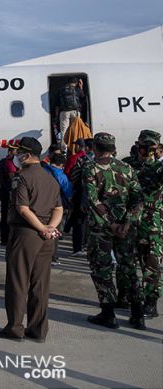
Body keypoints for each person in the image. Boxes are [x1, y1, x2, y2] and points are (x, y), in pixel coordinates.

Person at [0, 137, 63, 343]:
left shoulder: (21, 177)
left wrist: (41, 227)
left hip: (26, 234)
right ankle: (38, 330)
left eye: (18, 152)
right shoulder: (50, 177)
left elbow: (22, 208)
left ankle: (14, 328)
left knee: (17, 282)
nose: (16, 155)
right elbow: (59, 208)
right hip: (47, 238)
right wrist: (50, 228)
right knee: (40, 284)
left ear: (27, 154)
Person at [82, 132, 145, 330]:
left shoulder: (90, 167)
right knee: (129, 268)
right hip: (126, 229)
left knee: (102, 269)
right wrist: (127, 222)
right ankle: (137, 315)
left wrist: (111, 224)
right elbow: (138, 198)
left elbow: (93, 199)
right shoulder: (126, 168)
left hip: (101, 228)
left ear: (95, 148)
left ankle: (108, 314)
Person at [126, 130, 163, 319]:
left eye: (150, 147)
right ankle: (128, 298)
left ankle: (150, 302)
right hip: (131, 223)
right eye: (143, 146)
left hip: (152, 225)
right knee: (129, 262)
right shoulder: (128, 164)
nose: (146, 150)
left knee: (152, 264)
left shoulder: (159, 168)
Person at [42, 153, 73, 266]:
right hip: (57, 208)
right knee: (54, 231)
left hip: (41, 207)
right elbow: (68, 192)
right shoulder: (61, 175)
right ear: (61, 164)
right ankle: (53, 256)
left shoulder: (42, 171)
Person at [67, 138, 94, 256]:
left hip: (82, 195)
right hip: (102, 198)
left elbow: (73, 176)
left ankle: (78, 247)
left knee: (79, 221)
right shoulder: (110, 162)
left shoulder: (81, 160)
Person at [0, 143, 19, 246]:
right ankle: (6, 238)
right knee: (8, 216)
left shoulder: (5, 162)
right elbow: (12, 178)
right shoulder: (9, 163)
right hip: (8, 193)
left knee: (5, 215)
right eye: (16, 151)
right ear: (11, 152)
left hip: (4, 192)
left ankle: (4, 239)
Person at [56, 77, 85, 153]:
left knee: (64, 131)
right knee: (75, 130)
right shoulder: (76, 89)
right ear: (76, 83)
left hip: (64, 112)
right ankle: (75, 148)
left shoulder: (61, 90)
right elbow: (83, 97)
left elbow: (57, 104)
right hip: (75, 112)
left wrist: (56, 116)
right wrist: (81, 87)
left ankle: (64, 149)